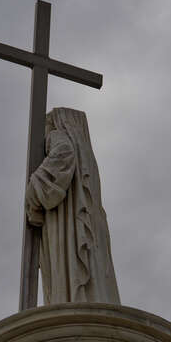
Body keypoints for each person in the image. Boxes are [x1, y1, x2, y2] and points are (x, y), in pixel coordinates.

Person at [25, 107, 121, 305]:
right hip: (83, 221)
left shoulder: (57, 135)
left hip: (66, 220)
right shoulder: (86, 156)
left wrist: (34, 190)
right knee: (93, 265)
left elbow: (62, 154)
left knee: (68, 266)